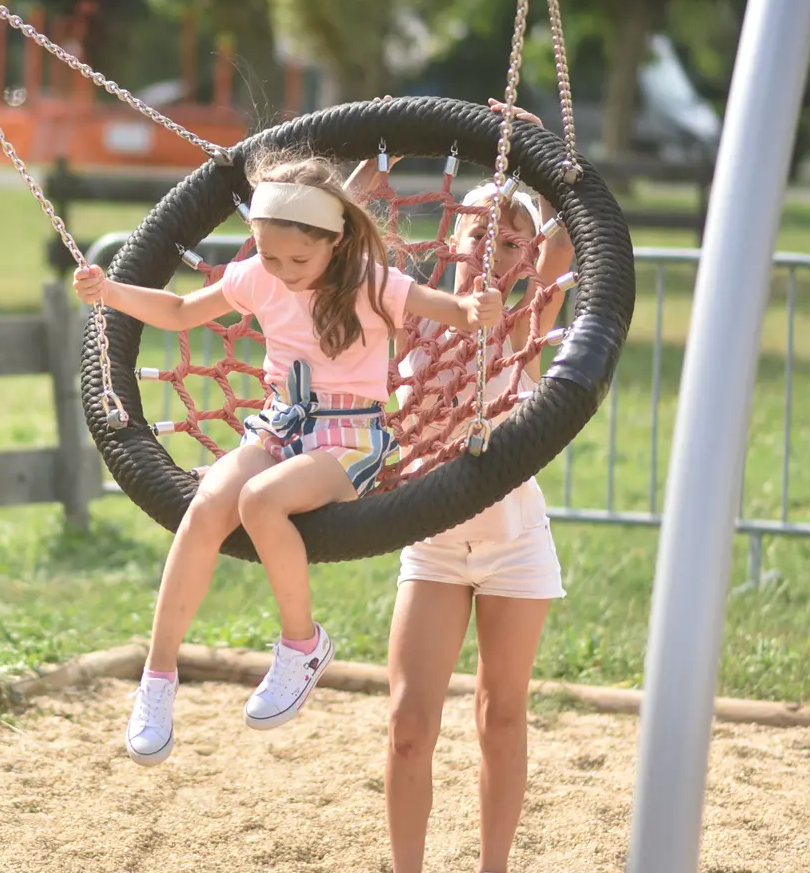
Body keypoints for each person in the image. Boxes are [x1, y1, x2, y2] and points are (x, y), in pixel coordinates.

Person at [73, 149, 503, 767]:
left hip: (350, 438)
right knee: (207, 507)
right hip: (279, 424)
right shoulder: (260, 275)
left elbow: (455, 313)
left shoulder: (371, 282)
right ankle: (158, 676)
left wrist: (478, 309)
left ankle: (302, 643)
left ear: (334, 241)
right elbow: (179, 312)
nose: (284, 270)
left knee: (260, 501)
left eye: (299, 258)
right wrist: (107, 289)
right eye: (270, 256)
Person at [377, 108, 575, 873]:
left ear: (528, 261)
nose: (499, 248)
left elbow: (569, 225)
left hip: (514, 546)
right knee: (407, 722)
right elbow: (351, 241)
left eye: (515, 241)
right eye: (483, 232)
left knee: (501, 715)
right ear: (452, 238)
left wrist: (537, 148)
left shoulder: (530, 314)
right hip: (433, 543)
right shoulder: (407, 312)